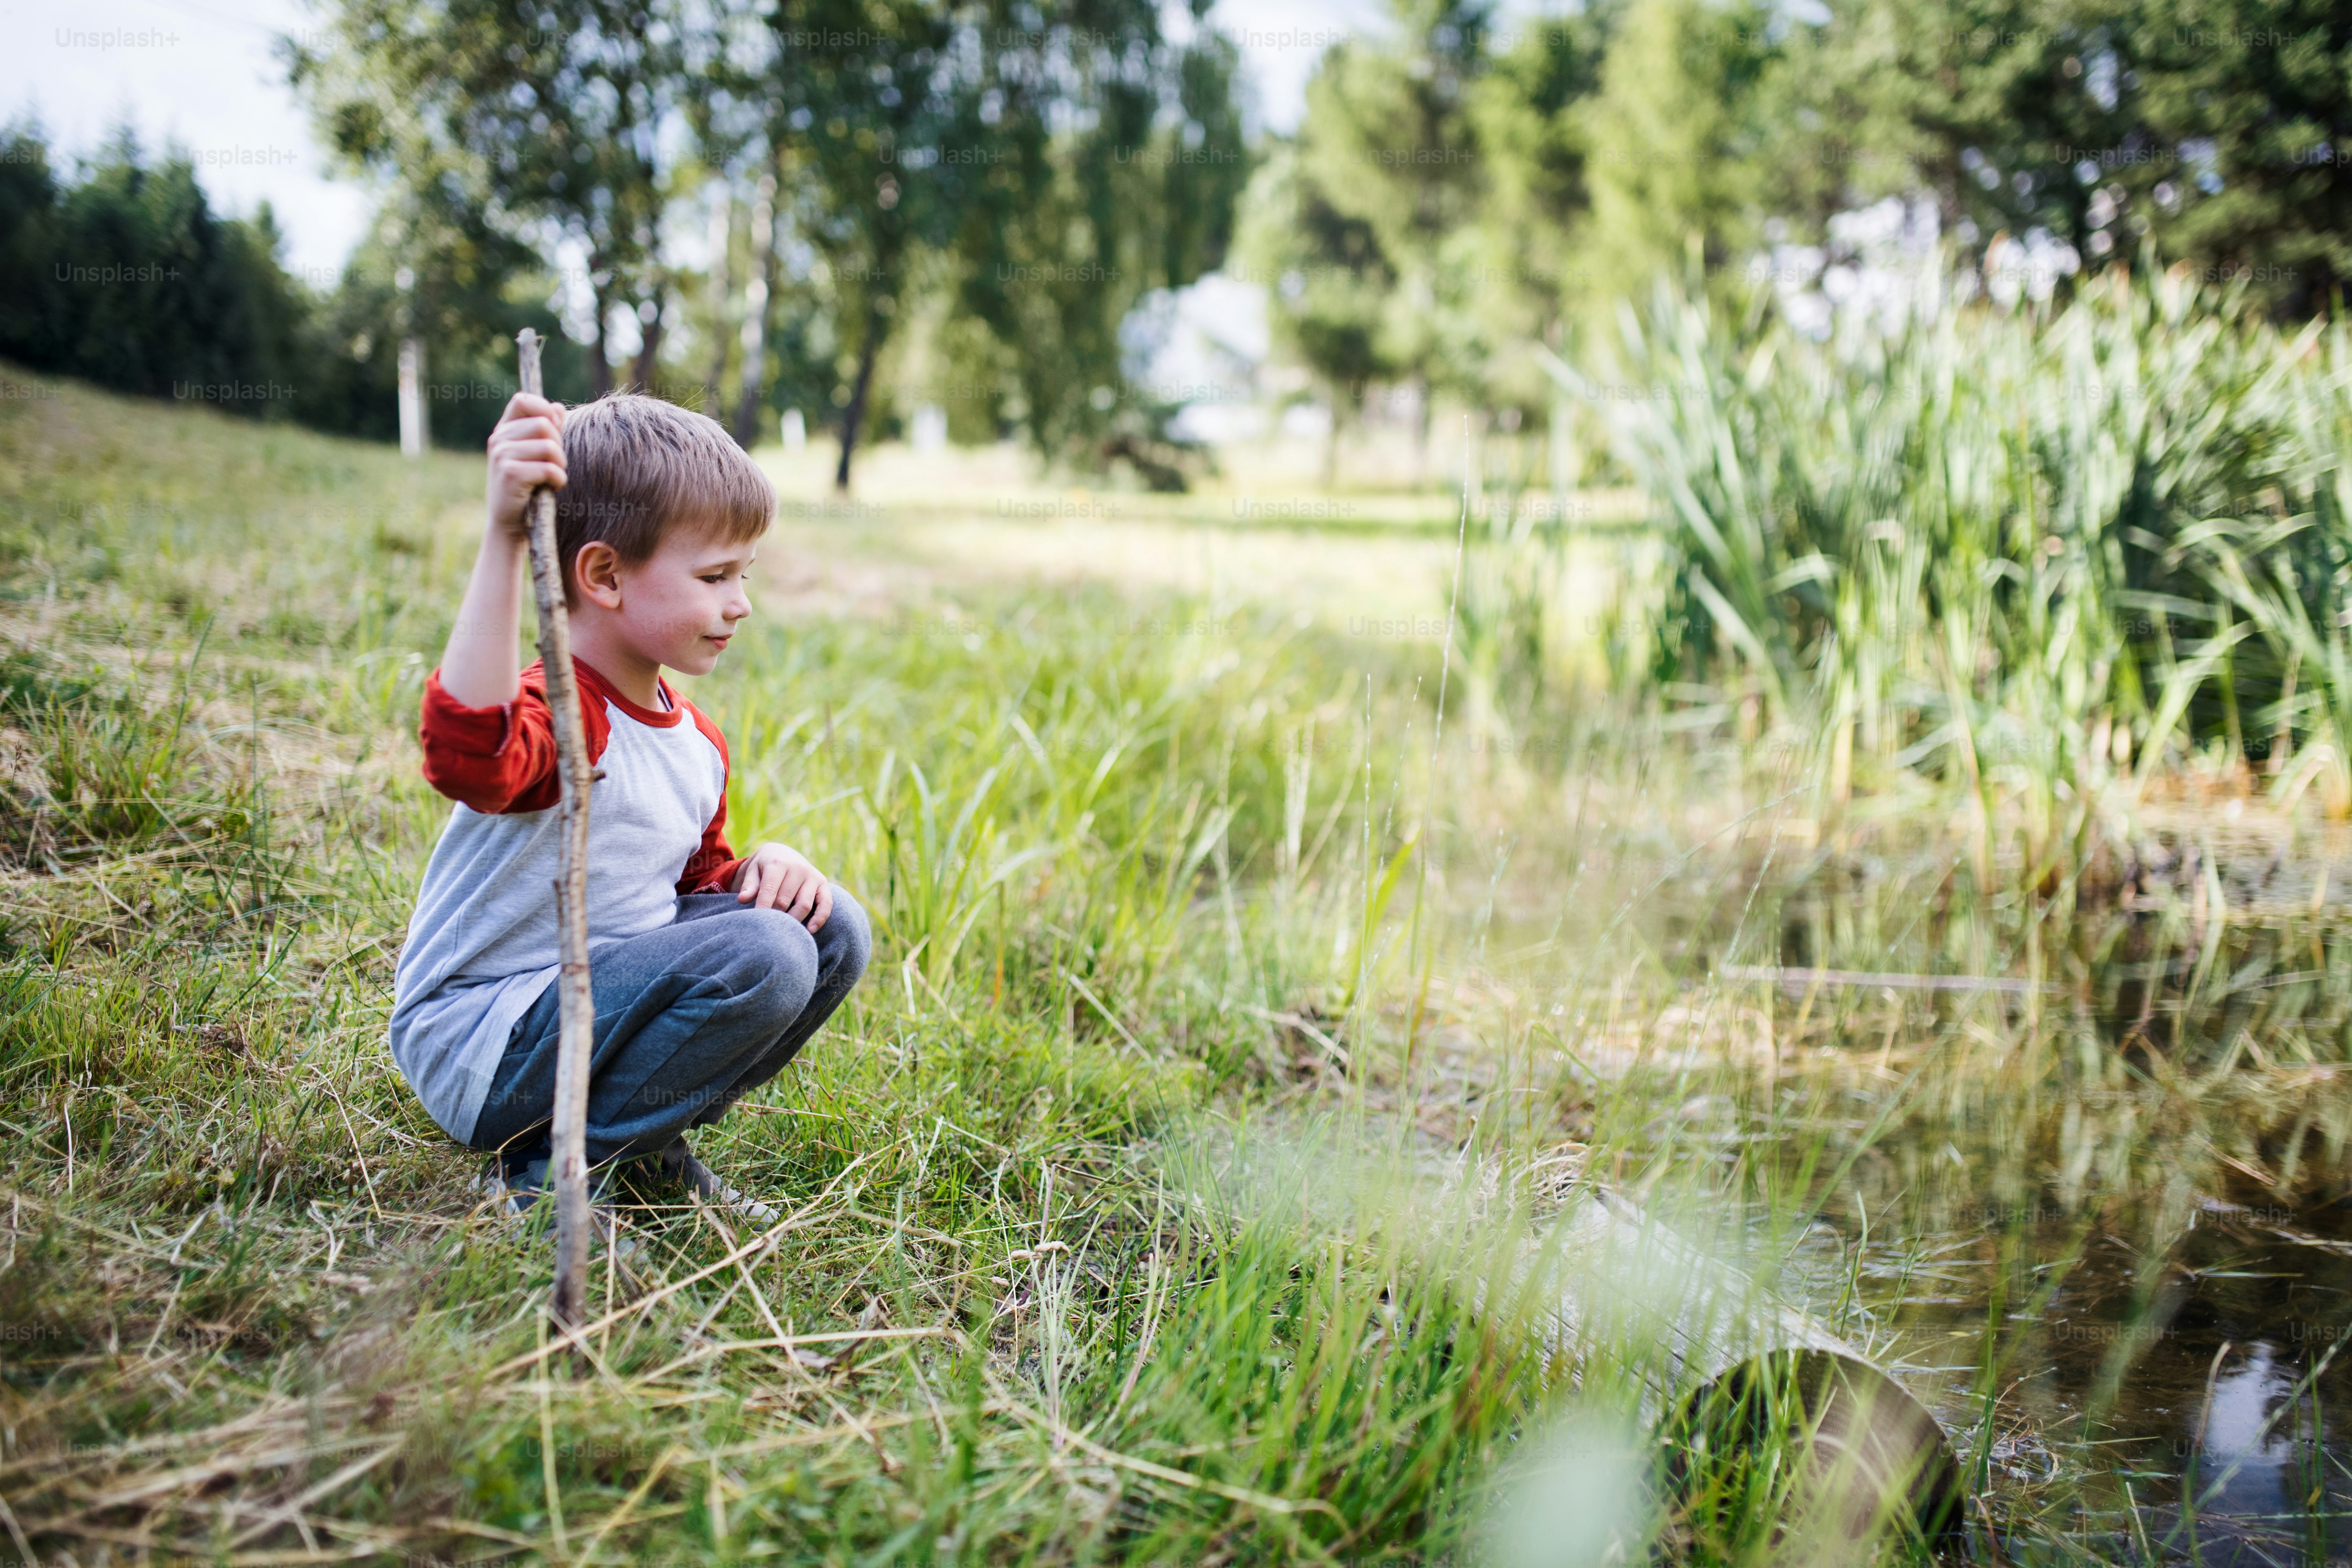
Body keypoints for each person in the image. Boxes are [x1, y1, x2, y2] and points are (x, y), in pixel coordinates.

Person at [389, 389, 869, 1223]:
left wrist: (762, 869)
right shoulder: (562, 711)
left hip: (595, 1016)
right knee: (770, 954)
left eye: (744, 575)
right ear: (605, 575)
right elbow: (472, 756)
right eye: (715, 576)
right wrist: (505, 539)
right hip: (486, 1047)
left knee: (831, 930)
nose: (741, 602)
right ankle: (550, 1174)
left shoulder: (696, 741)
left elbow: (687, 892)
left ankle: (637, 1143)